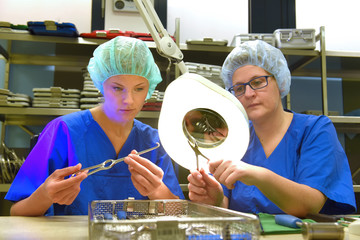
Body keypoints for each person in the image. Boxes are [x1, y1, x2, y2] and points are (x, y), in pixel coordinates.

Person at [5, 36, 184, 216]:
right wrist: (45, 195)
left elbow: (180, 215)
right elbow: (17, 214)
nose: (129, 100)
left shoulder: (153, 142)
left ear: (149, 88)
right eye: (117, 88)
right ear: (101, 84)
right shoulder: (63, 131)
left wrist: (158, 191)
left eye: (139, 89)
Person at [187, 40, 356, 217]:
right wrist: (214, 200)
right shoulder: (233, 137)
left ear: (280, 81)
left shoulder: (314, 130)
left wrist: (259, 176)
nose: (249, 94)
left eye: (258, 82)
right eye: (239, 88)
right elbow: (225, 203)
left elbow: (310, 204)